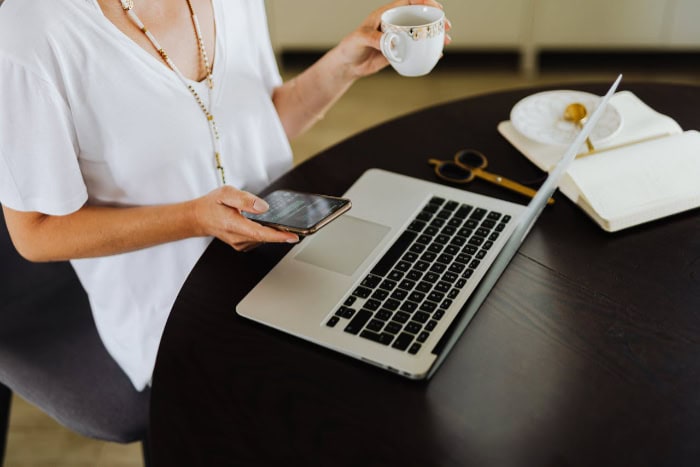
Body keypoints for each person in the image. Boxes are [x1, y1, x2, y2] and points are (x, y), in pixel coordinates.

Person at [0, 0, 450, 391]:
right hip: (174, 311)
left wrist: (344, 64)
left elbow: (260, 123)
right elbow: (35, 234)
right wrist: (194, 218)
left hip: (285, 260)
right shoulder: (34, 33)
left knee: (414, 337)